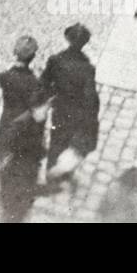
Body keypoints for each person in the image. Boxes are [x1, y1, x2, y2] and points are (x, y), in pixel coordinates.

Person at [0, 34, 48, 222]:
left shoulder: (4, 76)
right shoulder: (35, 84)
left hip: (8, 122)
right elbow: (39, 114)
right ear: (33, 57)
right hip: (27, 132)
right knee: (26, 164)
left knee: (8, 154)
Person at [42, 23, 99, 185]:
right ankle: (65, 170)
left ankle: (51, 169)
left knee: (56, 139)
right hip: (77, 111)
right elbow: (90, 95)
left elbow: (44, 82)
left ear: (67, 39)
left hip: (60, 108)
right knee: (71, 141)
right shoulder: (87, 68)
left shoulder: (55, 60)